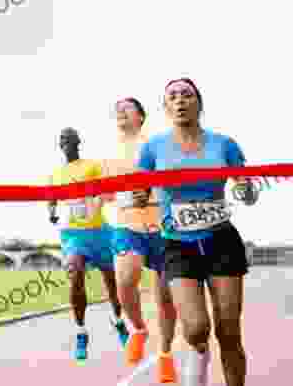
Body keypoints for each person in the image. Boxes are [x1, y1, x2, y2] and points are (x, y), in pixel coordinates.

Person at [137, 78, 253, 386]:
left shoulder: (224, 144)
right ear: (165, 107)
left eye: (186, 95)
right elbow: (137, 191)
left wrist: (245, 189)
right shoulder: (153, 149)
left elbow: (249, 194)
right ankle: (199, 357)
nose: (180, 101)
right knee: (195, 328)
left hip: (221, 240)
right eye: (172, 97)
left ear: (199, 103)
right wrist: (137, 196)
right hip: (177, 245)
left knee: (229, 332)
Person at [104, 98, 178, 383]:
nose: (120, 112)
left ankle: (165, 354)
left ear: (141, 116)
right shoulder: (110, 153)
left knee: (165, 298)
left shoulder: (158, 143)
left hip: (162, 226)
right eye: (117, 108)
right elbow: (108, 193)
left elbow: (173, 180)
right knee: (125, 277)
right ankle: (138, 328)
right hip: (127, 224)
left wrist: (149, 191)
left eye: (127, 108)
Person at [48, 127, 129, 362]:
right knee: (75, 277)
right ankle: (81, 332)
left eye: (70, 138)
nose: (66, 142)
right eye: (62, 139)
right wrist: (52, 212)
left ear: (78, 142)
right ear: (59, 144)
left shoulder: (92, 166)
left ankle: (117, 320)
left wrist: (96, 201)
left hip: (99, 232)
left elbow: (107, 192)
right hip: (73, 234)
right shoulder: (56, 174)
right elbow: (51, 200)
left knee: (113, 285)